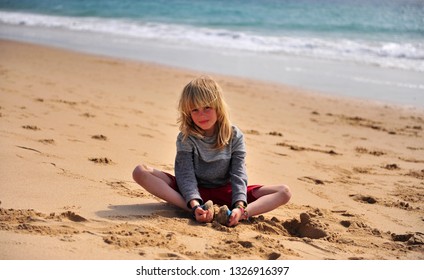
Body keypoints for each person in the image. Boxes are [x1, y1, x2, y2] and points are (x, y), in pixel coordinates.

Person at [132, 75, 291, 226]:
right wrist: (195, 204)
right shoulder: (186, 137)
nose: (201, 115)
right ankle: (196, 211)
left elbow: (238, 174)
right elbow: (185, 175)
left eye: (207, 107)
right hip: (191, 192)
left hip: (226, 194)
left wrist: (239, 206)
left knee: (284, 192)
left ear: (218, 107)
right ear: (188, 112)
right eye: (195, 110)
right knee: (140, 171)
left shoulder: (234, 135)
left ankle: (240, 215)